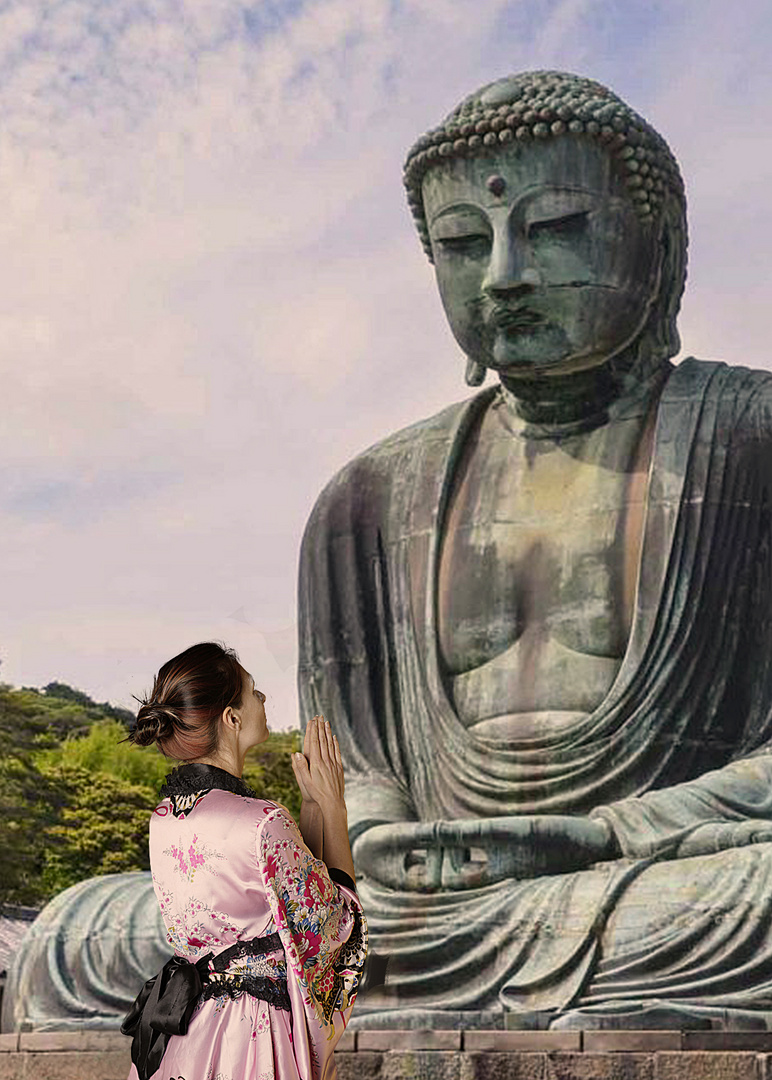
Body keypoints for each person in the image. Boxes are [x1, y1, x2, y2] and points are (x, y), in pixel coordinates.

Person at [297, 70, 772, 1030]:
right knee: (95, 933)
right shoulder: (366, 500)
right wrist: (384, 838)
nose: (503, 276)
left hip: (671, 881)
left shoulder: (754, 437)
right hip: (420, 904)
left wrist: (609, 832)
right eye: (463, 244)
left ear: (659, 244)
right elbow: (351, 770)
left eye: (552, 228)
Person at [122, 641, 367, 1080]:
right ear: (232, 718)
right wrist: (334, 809)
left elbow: (292, 899)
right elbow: (329, 928)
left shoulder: (164, 818)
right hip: (251, 1033)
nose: (263, 698)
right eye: (254, 691)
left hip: (189, 1030)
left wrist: (311, 805)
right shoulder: (262, 821)